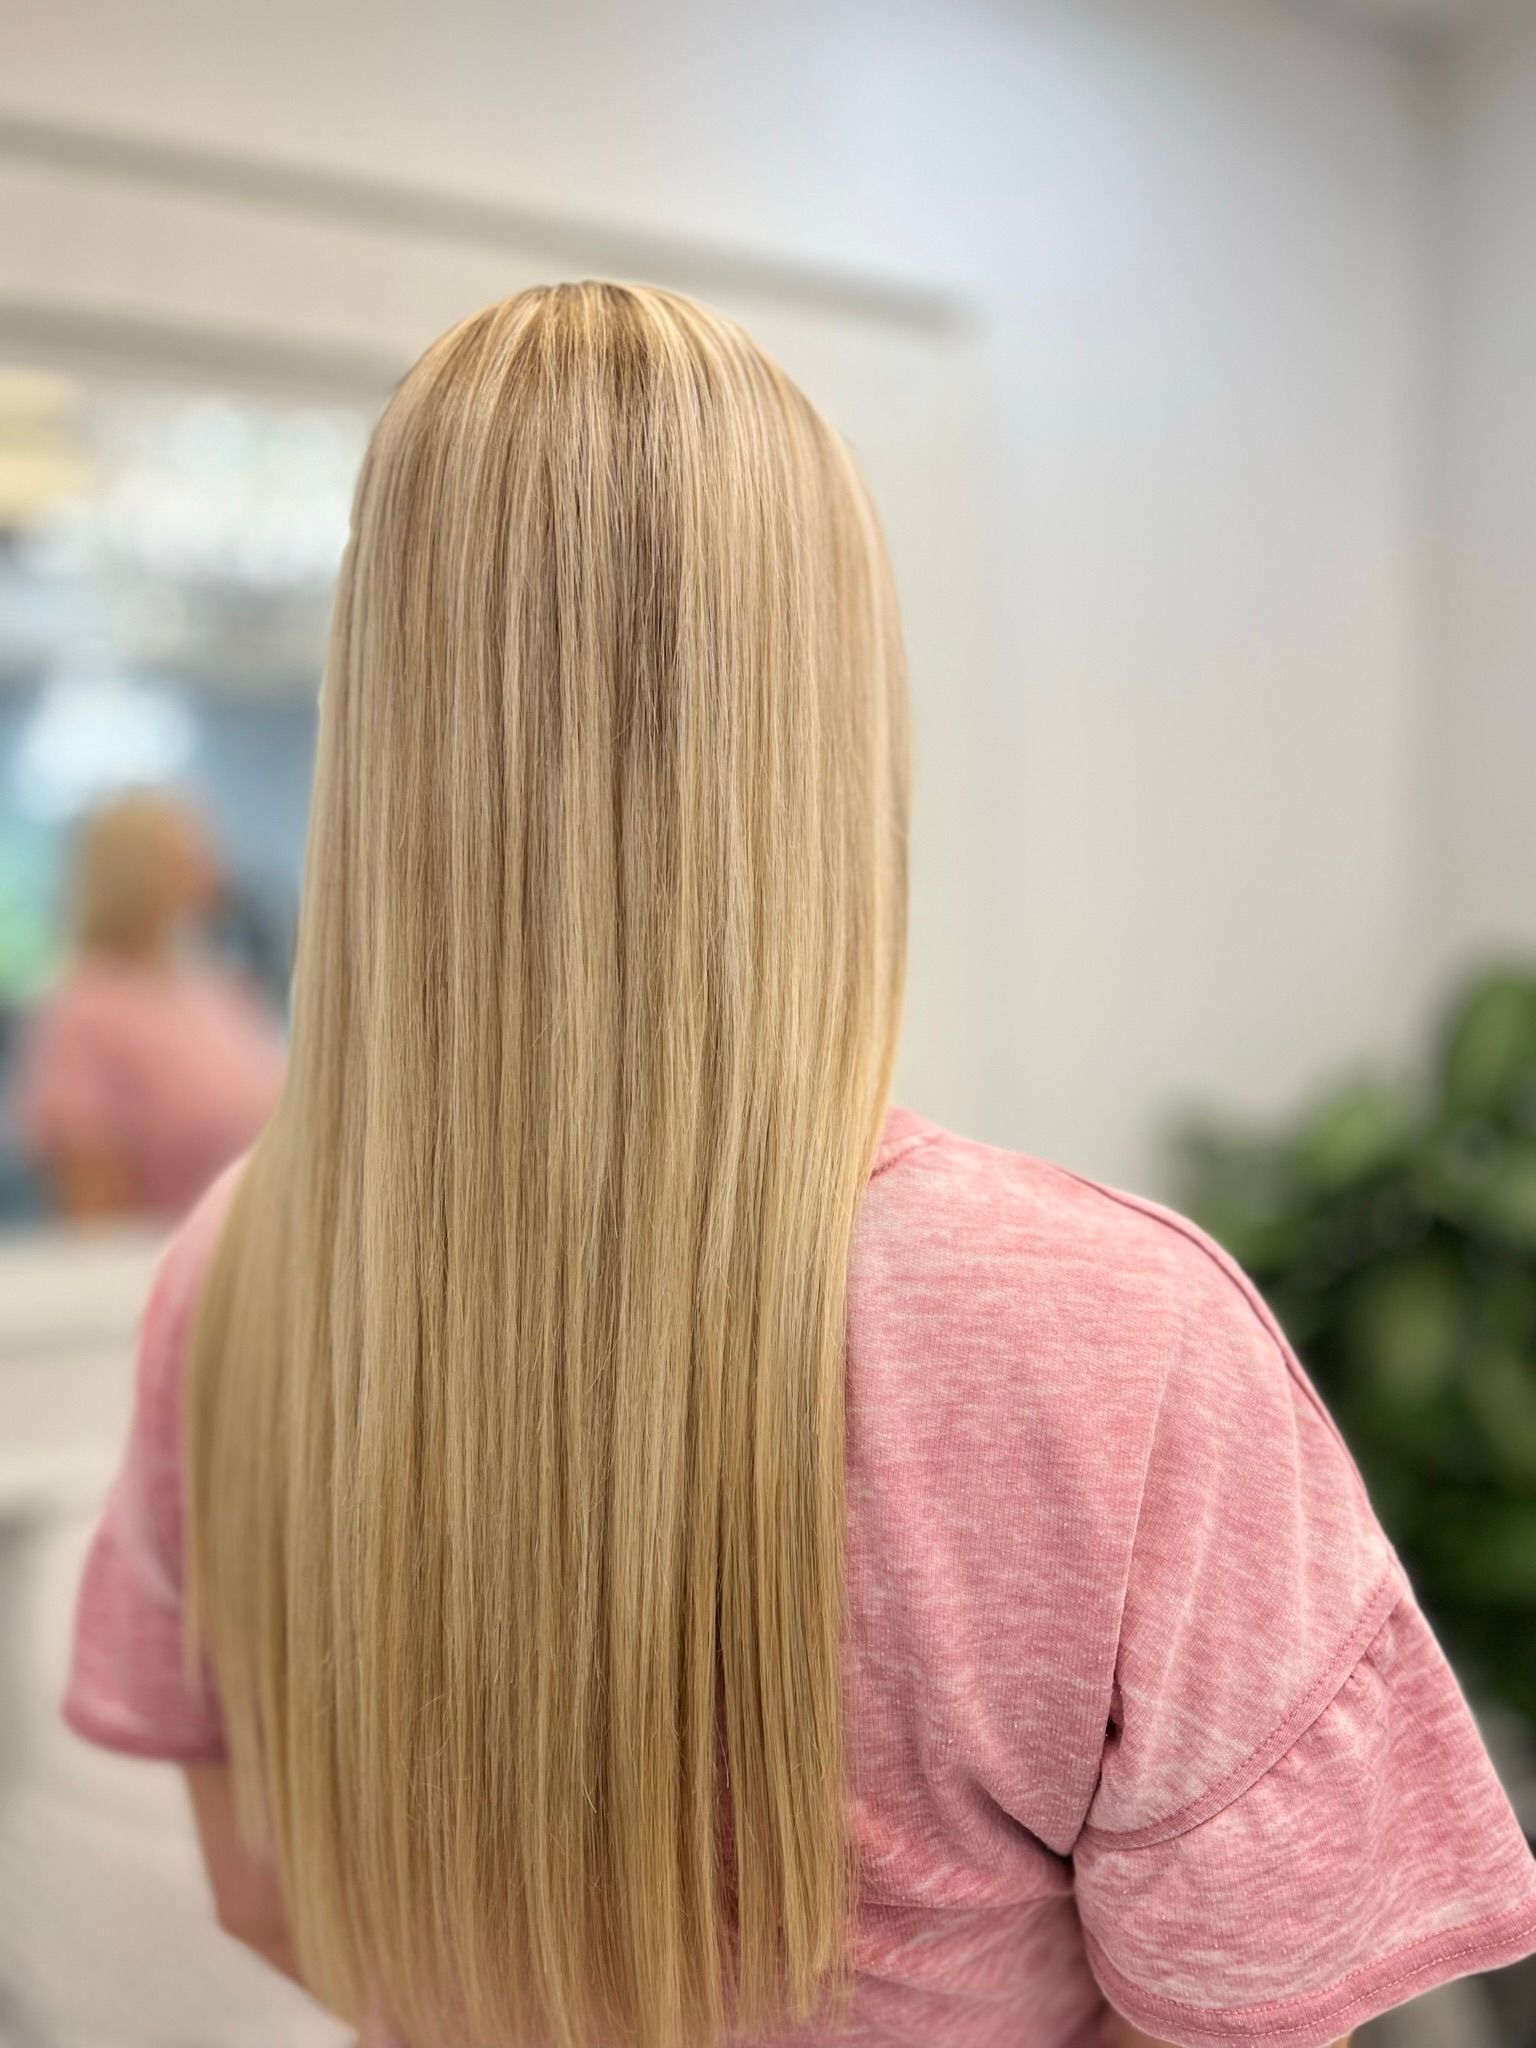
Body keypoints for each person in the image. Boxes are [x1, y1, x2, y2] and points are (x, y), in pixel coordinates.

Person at [59, 283, 1536, 2048]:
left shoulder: (232, 1273)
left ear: (383, 715)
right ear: (829, 721)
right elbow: (1247, 2015)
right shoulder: (1116, 1342)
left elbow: (261, 1889)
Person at [11, 790, 285, 1219]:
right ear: (139, 872)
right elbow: (92, 1212)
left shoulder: (222, 990)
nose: (212, 868)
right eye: (189, 856)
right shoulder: (84, 1009)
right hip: (158, 1267)